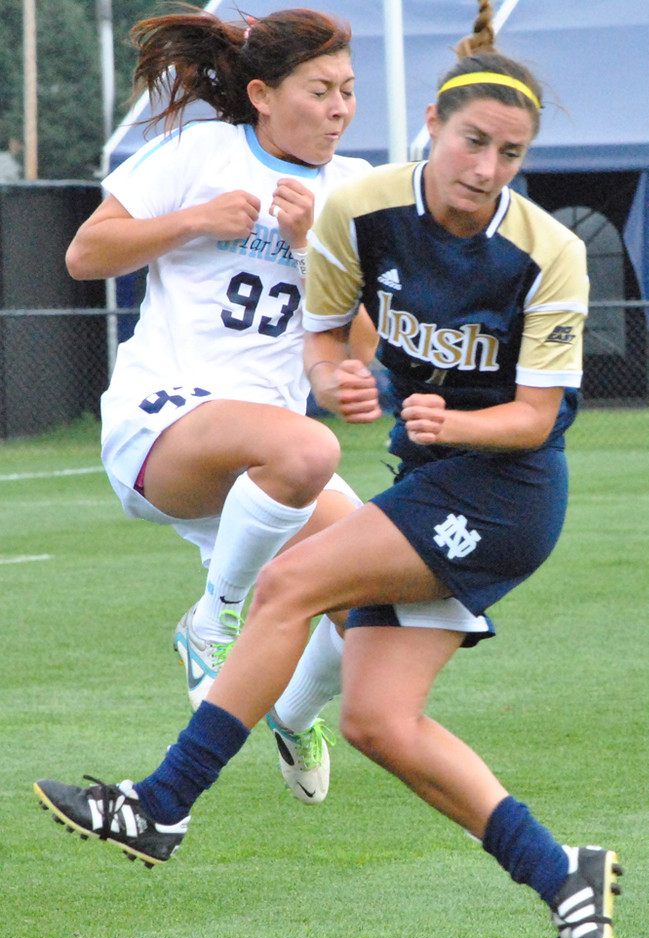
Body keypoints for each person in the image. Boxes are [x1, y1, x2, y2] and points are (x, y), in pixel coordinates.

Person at [35, 0, 622, 938]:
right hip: (421, 481)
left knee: (291, 582)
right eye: (473, 140)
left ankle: (163, 803)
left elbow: (533, 417)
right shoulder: (366, 206)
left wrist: (447, 424)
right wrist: (348, 378)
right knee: (381, 722)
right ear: (433, 127)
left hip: (501, 492)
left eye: (510, 152)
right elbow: (334, 350)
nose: (487, 167)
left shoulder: (545, 253)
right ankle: (561, 871)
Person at [64, 7, 375, 803]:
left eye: (348, 89)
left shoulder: (352, 191)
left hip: (267, 470)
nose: (340, 107)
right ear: (264, 94)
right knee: (308, 449)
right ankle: (214, 618)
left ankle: (293, 710)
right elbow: (84, 254)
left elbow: (363, 350)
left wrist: (315, 251)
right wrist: (195, 219)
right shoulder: (200, 152)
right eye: (321, 90)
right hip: (164, 424)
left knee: (387, 608)